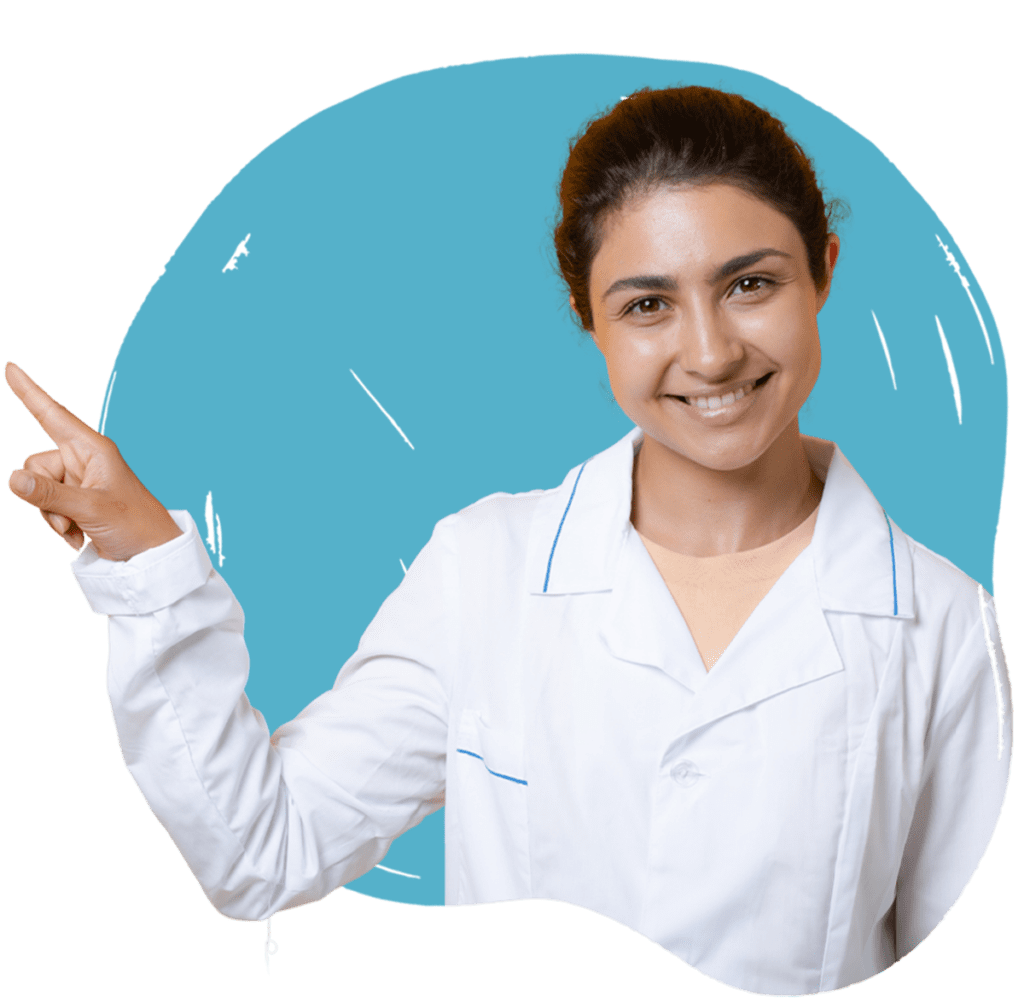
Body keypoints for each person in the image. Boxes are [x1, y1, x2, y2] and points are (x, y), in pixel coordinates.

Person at [5, 86, 1011, 997]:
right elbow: (260, 854)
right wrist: (147, 564)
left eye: (750, 284)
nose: (709, 351)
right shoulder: (484, 569)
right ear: (588, 318)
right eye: (647, 304)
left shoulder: (940, 626)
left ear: (822, 273)